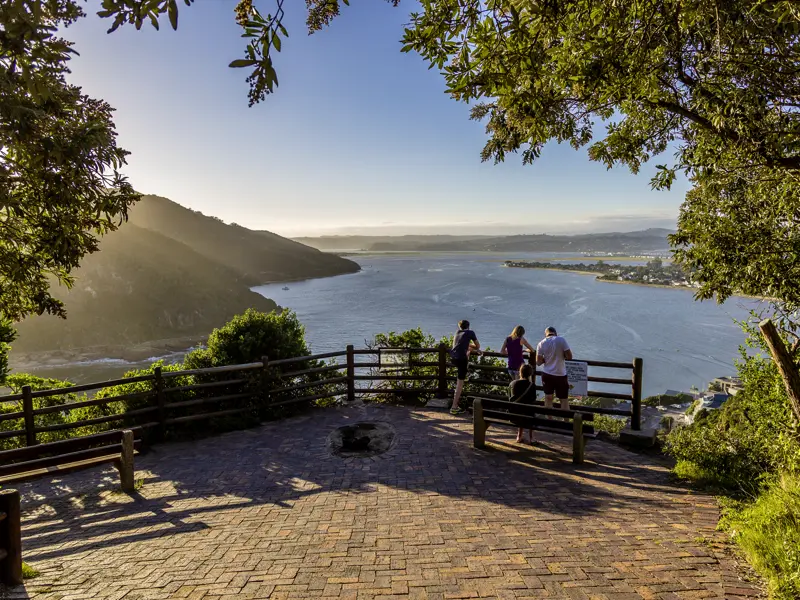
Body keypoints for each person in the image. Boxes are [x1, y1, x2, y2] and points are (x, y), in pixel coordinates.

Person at [536, 326, 573, 410]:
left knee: (548, 398)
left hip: (547, 374)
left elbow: (538, 362)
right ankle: (565, 421)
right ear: (555, 333)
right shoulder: (561, 340)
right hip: (560, 374)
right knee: (564, 399)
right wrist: (562, 355)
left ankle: (549, 420)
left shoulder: (541, 343)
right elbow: (569, 357)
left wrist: (546, 359)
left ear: (546, 334)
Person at [450, 319, 480, 415]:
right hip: (462, 360)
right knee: (459, 384)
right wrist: (473, 349)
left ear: (460, 326)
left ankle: (455, 406)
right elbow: (478, 346)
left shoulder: (457, 332)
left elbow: (460, 345)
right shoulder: (470, 332)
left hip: (454, 358)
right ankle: (454, 407)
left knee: (459, 382)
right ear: (468, 326)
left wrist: (469, 348)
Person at [508, 363, 536, 443]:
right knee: (530, 411)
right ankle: (532, 438)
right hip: (527, 416)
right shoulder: (532, 385)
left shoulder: (512, 383)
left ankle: (519, 436)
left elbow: (509, 398)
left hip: (513, 416)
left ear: (520, 372)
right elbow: (533, 400)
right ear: (530, 373)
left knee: (520, 409)